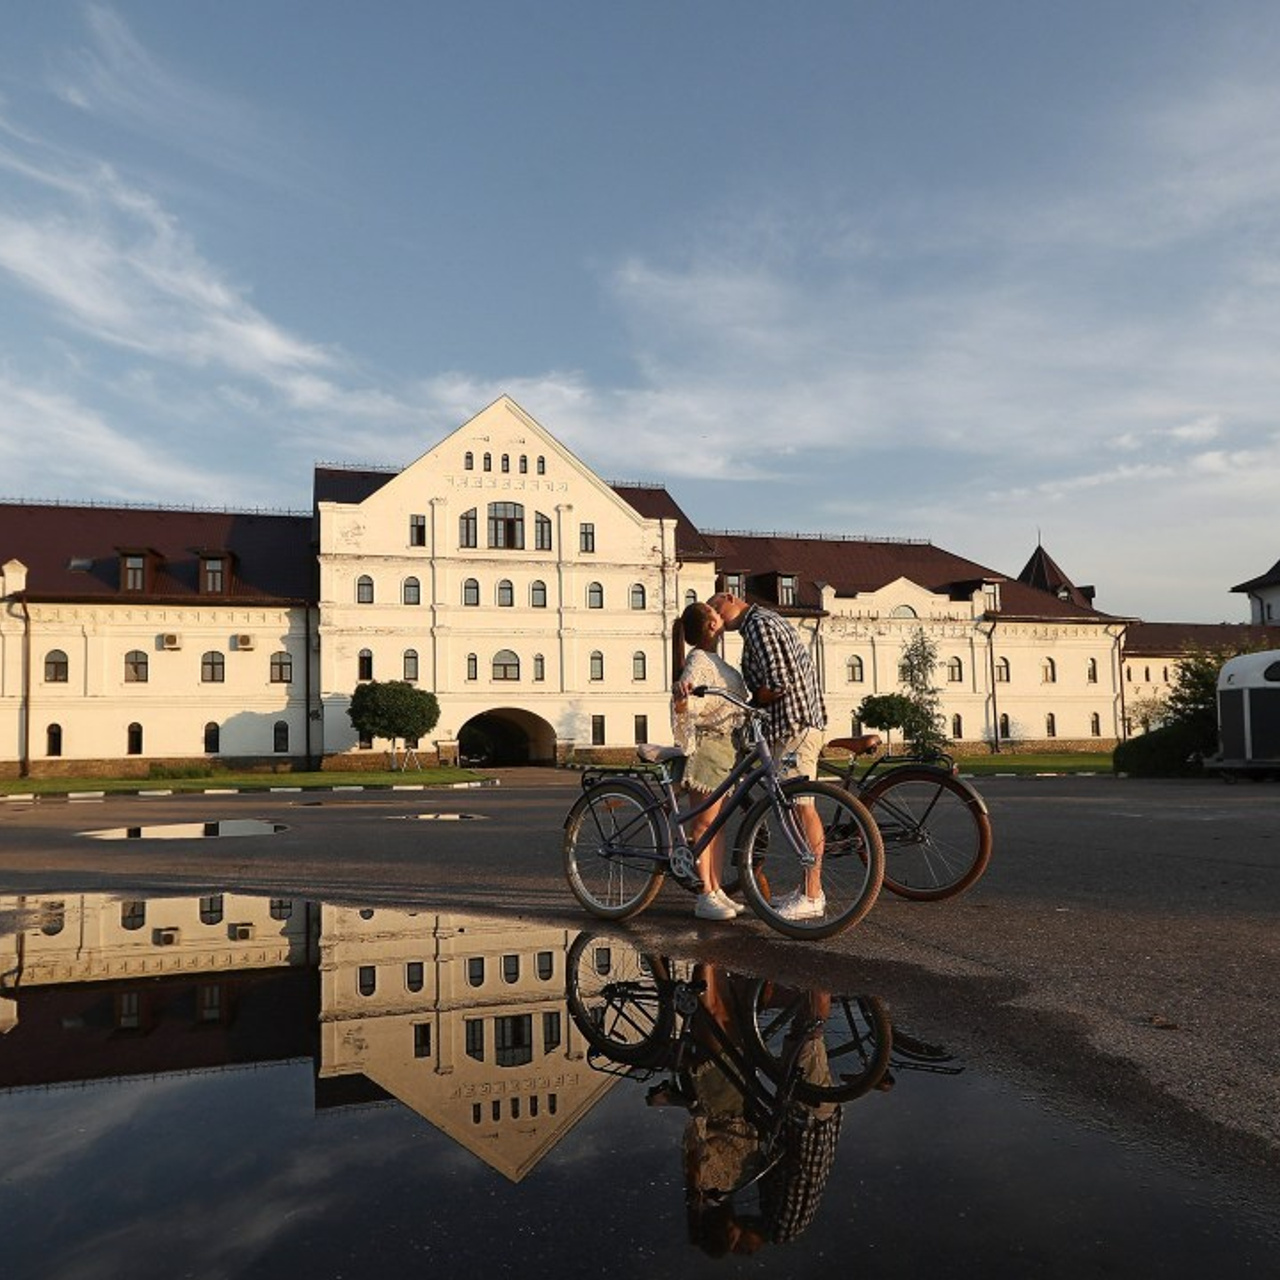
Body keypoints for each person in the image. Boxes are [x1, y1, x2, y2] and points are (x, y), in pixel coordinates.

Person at [707, 590, 828, 921]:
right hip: (791, 725)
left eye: (716, 606)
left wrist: (752, 703)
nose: (715, 616)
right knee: (794, 808)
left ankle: (813, 895)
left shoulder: (759, 624)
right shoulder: (761, 624)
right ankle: (807, 889)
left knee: (803, 808)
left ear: (732, 597)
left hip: (792, 726)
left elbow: (776, 683)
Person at [671, 601, 748, 922]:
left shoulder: (715, 659)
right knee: (705, 824)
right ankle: (704, 894)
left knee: (717, 826)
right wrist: (683, 694)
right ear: (712, 625)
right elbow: (685, 690)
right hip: (708, 747)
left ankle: (715, 889)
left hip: (726, 748)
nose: (723, 618)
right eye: (717, 615)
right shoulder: (699, 659)